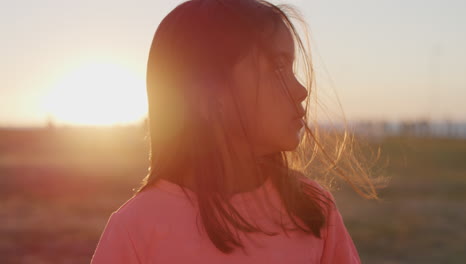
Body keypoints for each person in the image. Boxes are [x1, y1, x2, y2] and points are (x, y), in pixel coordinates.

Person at [91, 0, 383, 263]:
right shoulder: (136, 229)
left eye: (292, 69)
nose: (301, 89)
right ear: (208, 96)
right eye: (278, 68)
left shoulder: (311, 207)